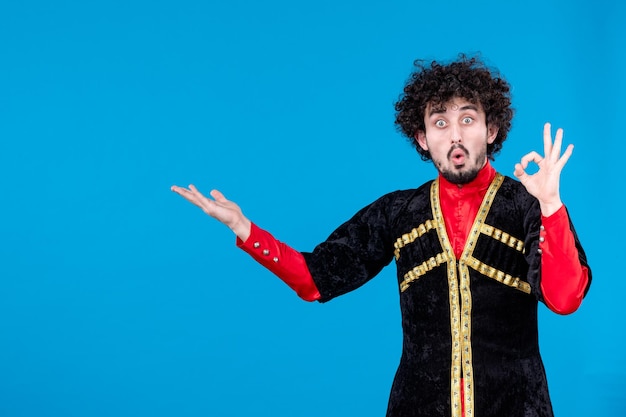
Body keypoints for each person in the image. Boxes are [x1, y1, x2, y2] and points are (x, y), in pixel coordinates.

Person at [171, 55, 591, 417]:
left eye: (468, 118)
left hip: (517, 406)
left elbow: (564, 298)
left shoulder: (527, 203)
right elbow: (316, 279)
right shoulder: (397, 212)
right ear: (423, 139)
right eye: (440, 122)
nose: (456, 134)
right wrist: (245, 230)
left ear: (492, 129)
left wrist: (552, 206)